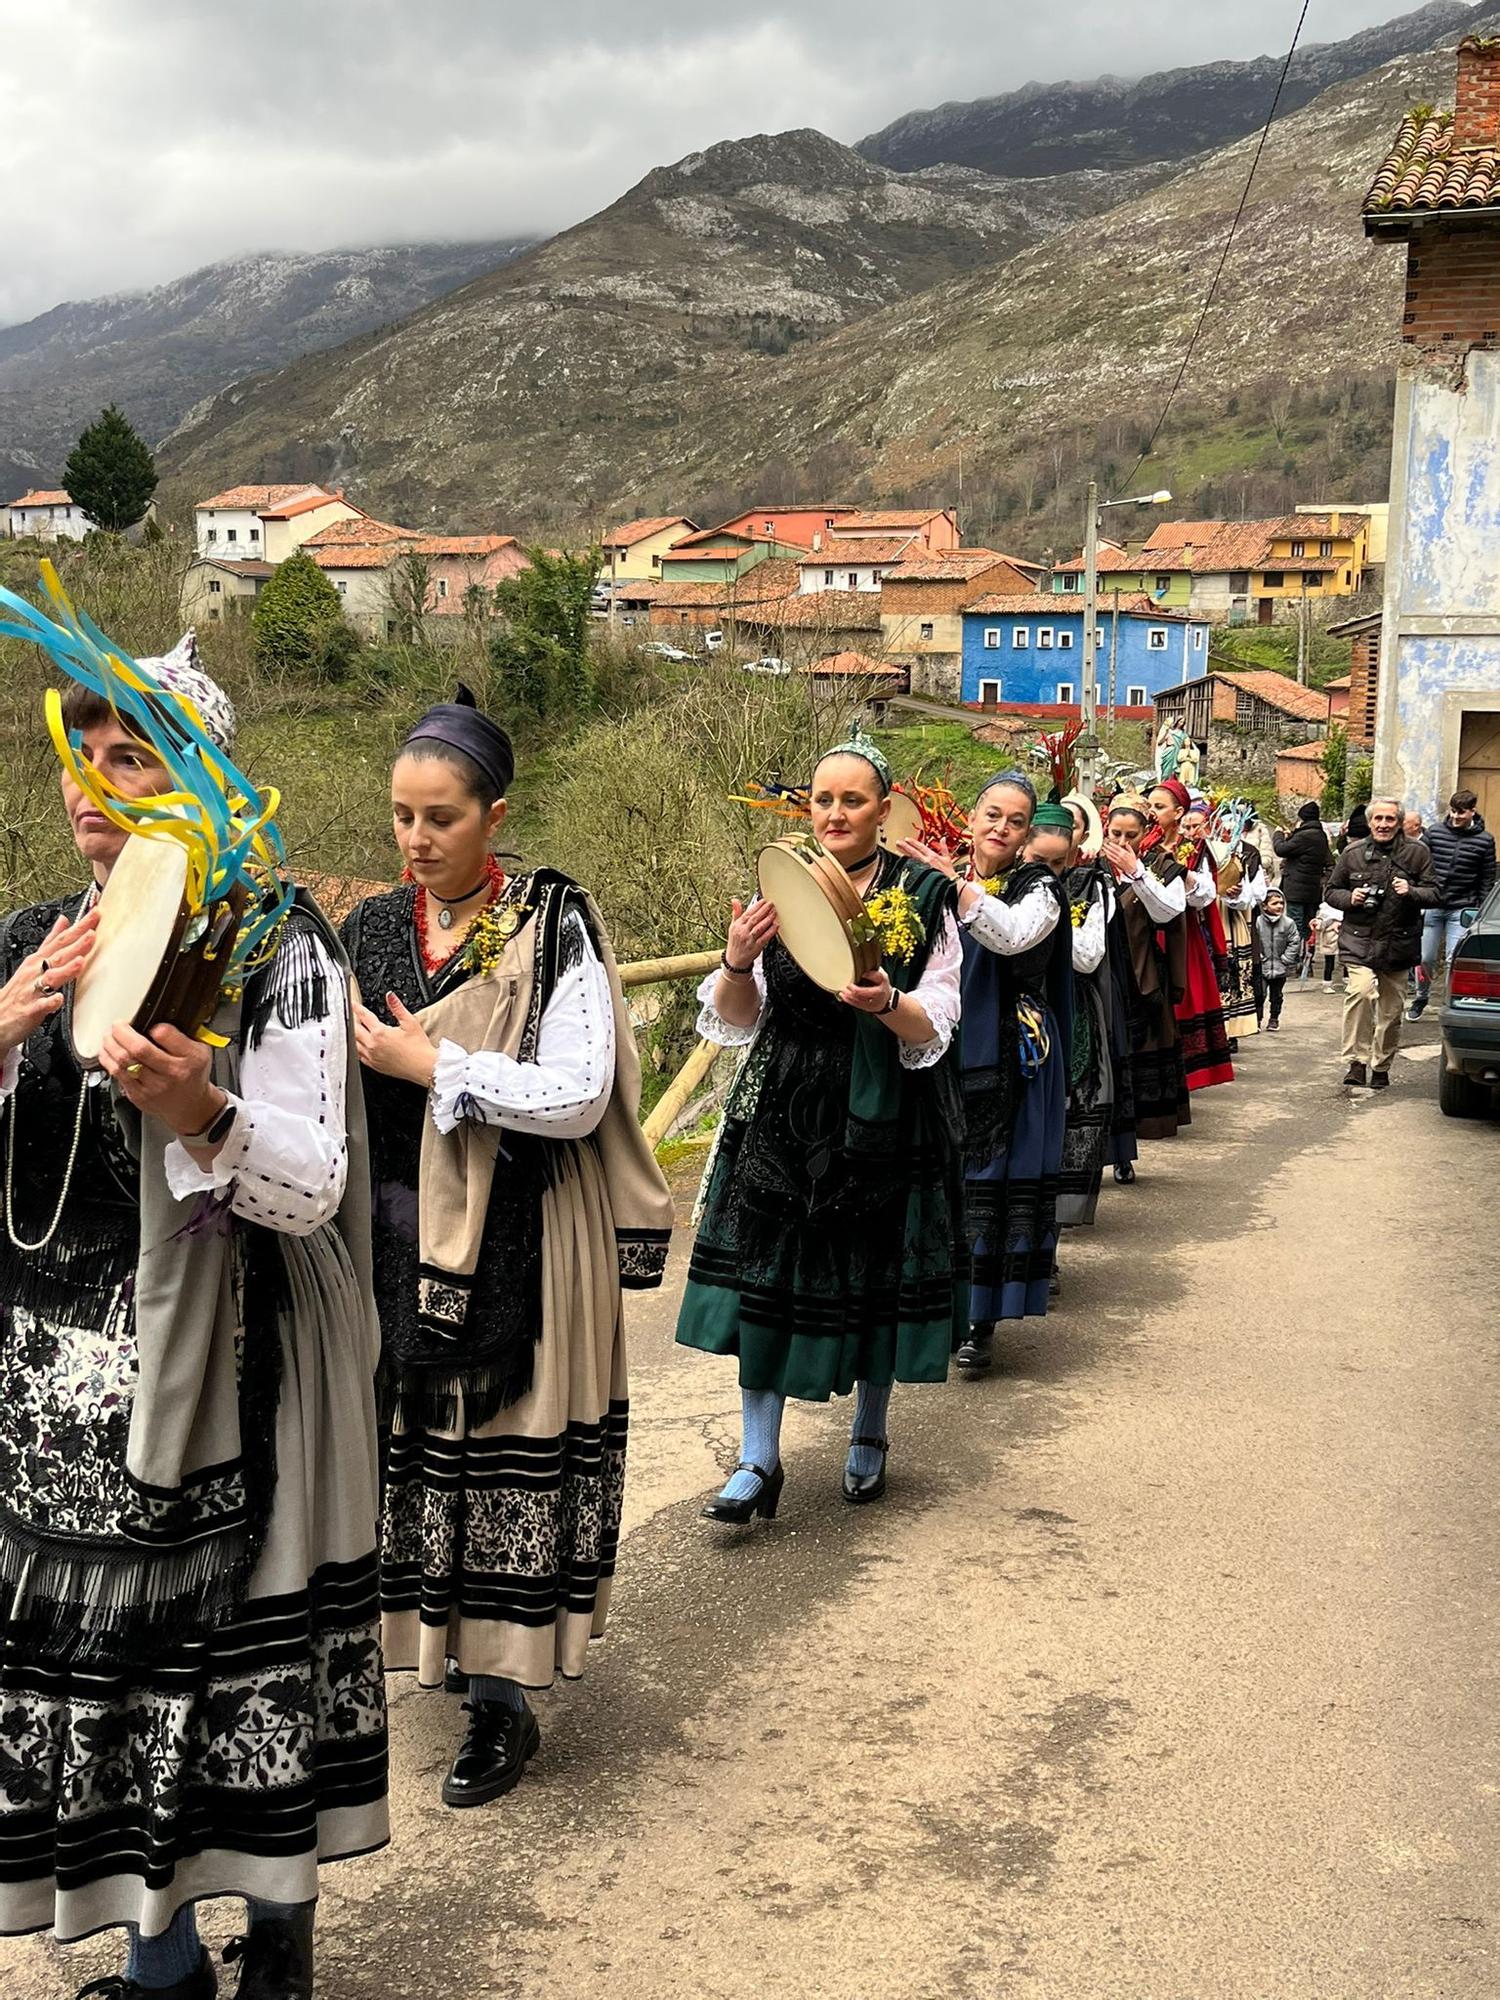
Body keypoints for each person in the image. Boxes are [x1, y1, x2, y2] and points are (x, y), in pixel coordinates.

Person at [0, 628, 387, 1999]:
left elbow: (314, 1185)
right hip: (61, 1389)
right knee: (108, 1684)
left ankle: (277, 1923)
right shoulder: (34, 940)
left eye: (135, 757)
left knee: (228, 1677)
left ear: (203, 779)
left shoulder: (276, 946)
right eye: (82, 754)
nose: (94, 783)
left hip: (239, 1369)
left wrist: (204, 1110)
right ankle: (161, 1955)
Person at [344, 690, 672, 1808]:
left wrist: (435, 1068)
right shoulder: (373, 929)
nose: (418, 838)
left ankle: (503, 1704)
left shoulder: (553, 922)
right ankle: (444, 1661)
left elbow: (578, 1095)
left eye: (441, 815)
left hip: (530, 1232)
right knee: (426, 1455)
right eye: (401, 816)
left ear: (496, 813)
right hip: (404, 1232)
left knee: (506, 1456)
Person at [677, 730, 964, 1513]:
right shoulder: (782, 889)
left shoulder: (924, 897)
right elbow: (739, 1017)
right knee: (767, 1273)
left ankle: (869, 1430)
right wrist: (736, 961)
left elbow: (937, 1022)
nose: (834, 813)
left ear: (884, 809)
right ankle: (757, 1458)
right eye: (823, 799)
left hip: (884, 1115)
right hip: (785, 1106)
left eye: (853, 800)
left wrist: (887, 1004)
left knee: (871, 1275)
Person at [927, 778, 1070, 1376]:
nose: (1002, 828)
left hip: (1011, 1052)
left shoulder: (1041, 891)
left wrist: (954, 889)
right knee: (937, 1178)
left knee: (991, 1178)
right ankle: (935, 1310)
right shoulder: (938, 873)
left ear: (1026, 834)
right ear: (972, 816)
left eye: (1016, 821)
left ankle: (982, 1321)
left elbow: (1010, 937)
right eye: (993, 814)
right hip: (937, 1040)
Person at [1324, 796, 1441, 1089]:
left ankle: (1381, 1065)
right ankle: (1356, 1061)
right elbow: (1330, 891)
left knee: (1391, 1010)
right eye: (1378, 819)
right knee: (1361, 993)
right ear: (1370, 822)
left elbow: (1436, 893)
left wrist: (1411, 891)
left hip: (1398, 943)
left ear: (1399, 823)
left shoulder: (1418, 853)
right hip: (1358, 939)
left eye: (1390, 819)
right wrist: (1350, 898)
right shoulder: (1352, 853)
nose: (1383, 825)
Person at [1099, 796, 1191, 1142]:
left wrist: (1137, 873)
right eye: (1116, 834)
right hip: (1107, 968)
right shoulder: (1094, 868)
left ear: (1146, 833)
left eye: (1131, 835)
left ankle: (1147, 1122)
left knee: (1148, 1040)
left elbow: (1169, 912)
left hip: (1145, 969)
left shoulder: (1161, 865)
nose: (1122, 844)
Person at [1143, 781, 1234, 1090]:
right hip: (1141, 932)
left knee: (1182, 999)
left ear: (1179, 812)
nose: (1152, 813)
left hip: (1181, 934)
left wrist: (1181, 874)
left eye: (1159, 807)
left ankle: (1185, 1074)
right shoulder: (1139, 843)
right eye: (1149, 806)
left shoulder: (1194, 849)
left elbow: (1208, 893)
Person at [1056, 806, 1122, 1227]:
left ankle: (1053, 1237)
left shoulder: (1091, 884)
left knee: (1069, 1117)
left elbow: (1087, 956)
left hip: (1071, 1008)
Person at [1408, 789, 1496, 1019]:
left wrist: (1481, 910)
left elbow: (1487, 878)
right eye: (1453, 811)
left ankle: (1451, 1002)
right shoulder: (1435, 833)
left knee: (1453, 959)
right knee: (1425, 957)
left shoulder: (1485, 841)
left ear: (1472, 812)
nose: (1456, 817)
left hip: (1462, 907)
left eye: (1462, 813)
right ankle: (1421, 996)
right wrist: (1417, 892)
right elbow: (1419, 863)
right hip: (1433, 903)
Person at [1273, 802, 1333, 947]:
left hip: (1296, 890)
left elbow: (1280, 849)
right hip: (1313, 890)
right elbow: (1330, 862)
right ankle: (1307, 958)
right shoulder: (1320, 836)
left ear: (1302, 819)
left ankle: (1296, 960)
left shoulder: (1304, 836)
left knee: (1295, 925)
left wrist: (1278, 834)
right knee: (1308, 926)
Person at [1255, 888, 1302, 1031]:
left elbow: (1294, 941)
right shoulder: (1257, 922)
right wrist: (1258, 958)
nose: (1279, 906)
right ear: (1264, 906)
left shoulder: (1288, 923)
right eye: (1274, 903)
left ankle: (1274, 1018)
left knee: (1276, 996)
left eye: (1281, 903)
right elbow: (1253, 941)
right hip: (1262, 966)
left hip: (1281, 967)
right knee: (1259, 994)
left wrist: (1286, 959)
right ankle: (1256, 1020)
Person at [1313, 901, 1343, 991]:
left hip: (1339, 939)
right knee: (1330, 963)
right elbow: (1320, 925)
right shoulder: (1325, 910)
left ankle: (1343, 980)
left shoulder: (1342, 906)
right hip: (1329, 941)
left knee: (1344, 961)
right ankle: (1327, 983)